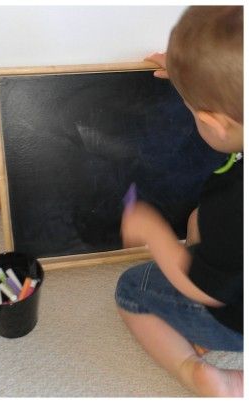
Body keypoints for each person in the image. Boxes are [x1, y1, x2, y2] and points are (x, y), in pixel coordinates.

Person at [115, 6, 243, 397]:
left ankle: (199, 372)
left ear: (215, 122)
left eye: (192, 110)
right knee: (197, 222)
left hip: (237, 311)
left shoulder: (233, 206)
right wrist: (197, 78)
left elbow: (205, 290)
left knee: (131, 290)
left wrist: (155, 234)